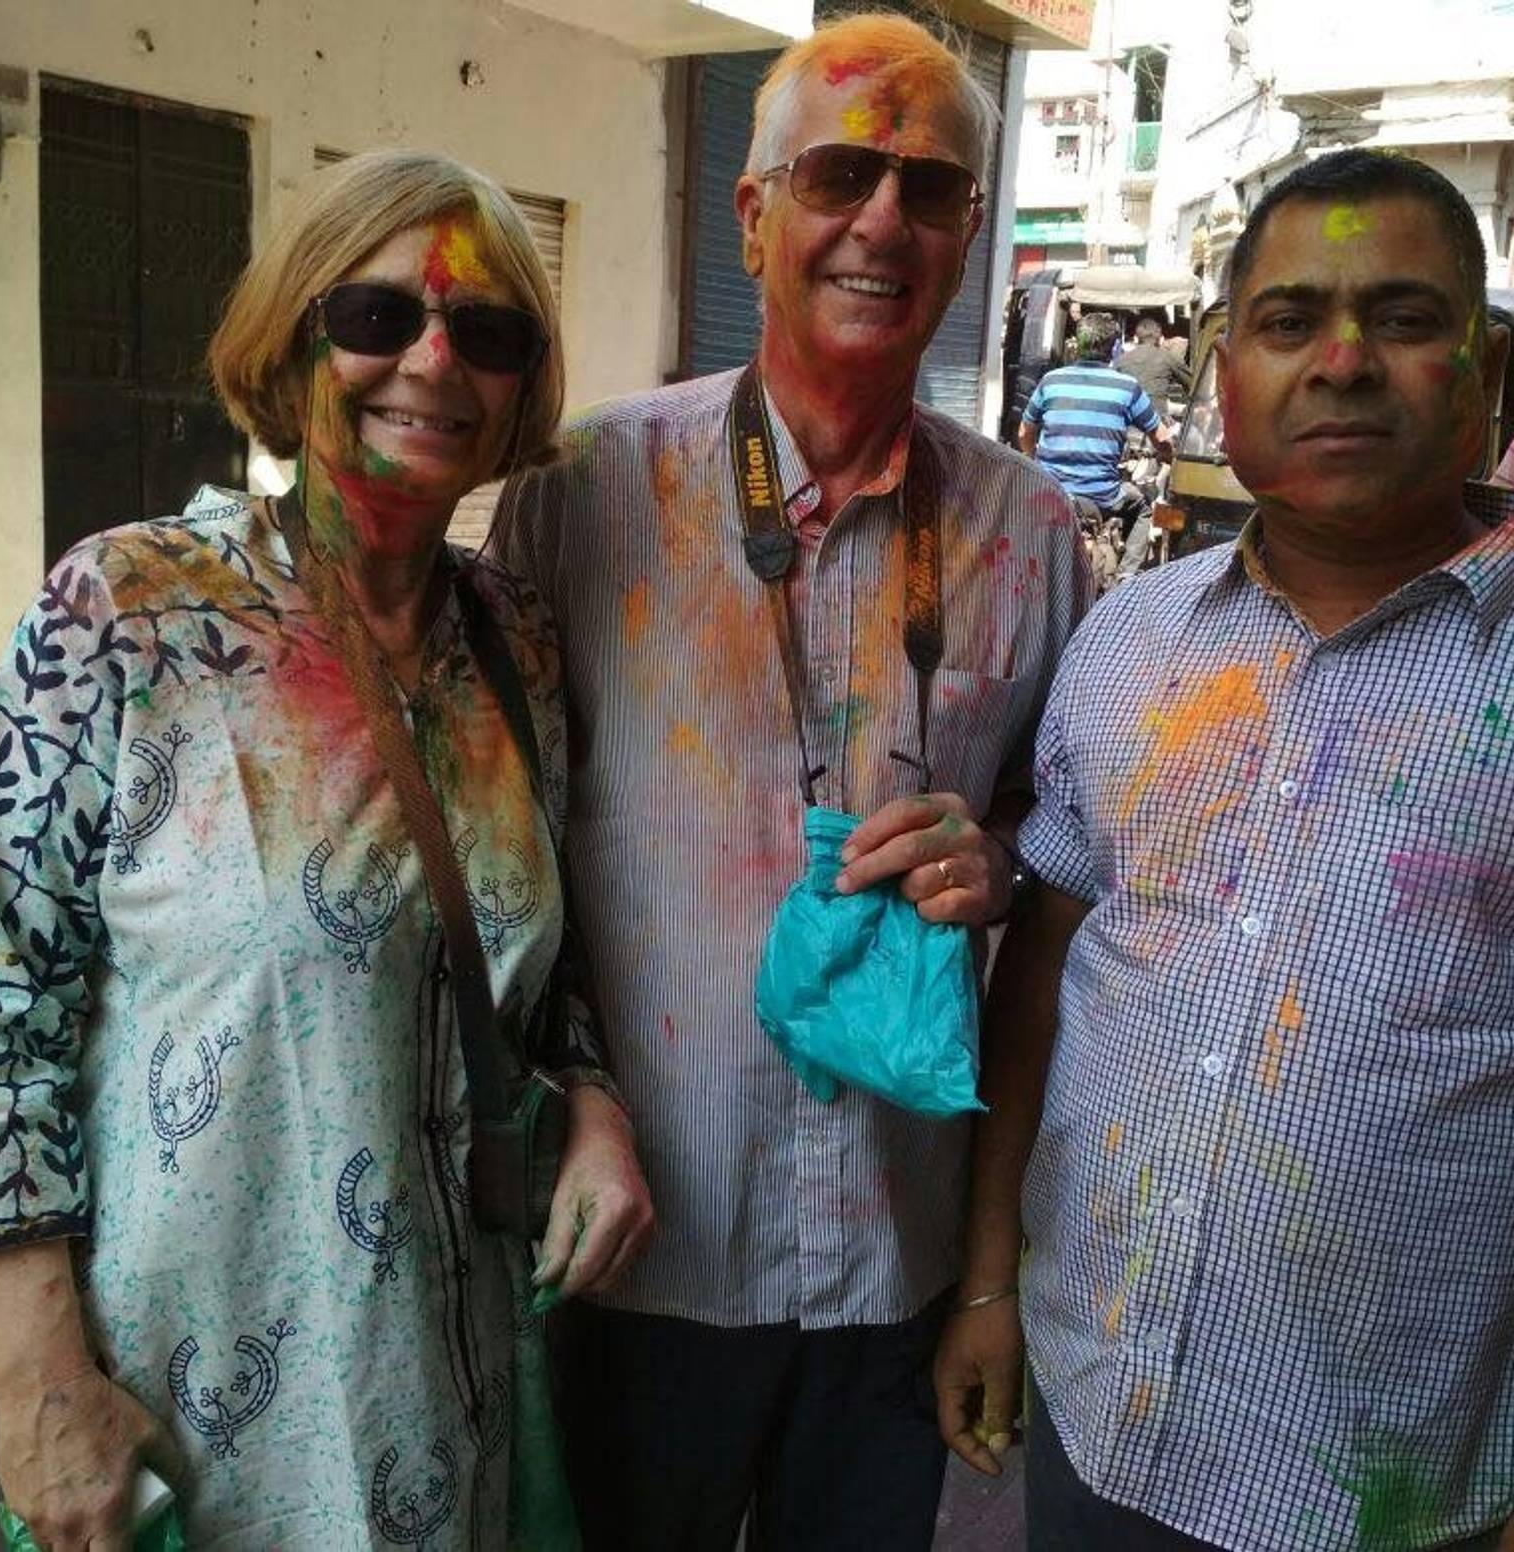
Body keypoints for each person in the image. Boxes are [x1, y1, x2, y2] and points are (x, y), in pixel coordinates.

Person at [0, 148, 653, 1547]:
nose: (433, 361)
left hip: (449, 1399)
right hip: (180, 1415)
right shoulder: (127, 609)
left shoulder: (515, 643)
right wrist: (36, 1379)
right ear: (290, 349)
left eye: (487, 332)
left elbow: (544, 965)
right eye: (377, 316)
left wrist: (592, 1100)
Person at [490, 14, 1091, 1550]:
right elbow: (504, 853)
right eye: (840, 176)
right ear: (755, 217)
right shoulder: (582, 490)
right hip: (650, 1245)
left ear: (970, 232)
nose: (883, 220)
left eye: (930, 188)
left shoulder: (1031, 533)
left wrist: (997, 864)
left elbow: (1061, 841)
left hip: (897, 1250)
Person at [934, 147, 1514, 1550]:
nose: (1344, 362)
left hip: (1383, 1491)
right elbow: (1047, 974)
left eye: (1405, 318)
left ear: (1489, 369)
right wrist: (990, 1281)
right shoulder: (1131, 639)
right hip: (1093, 1409)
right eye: (1291, 319)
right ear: (1223, 368)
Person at [1019, 311, 1174, 584]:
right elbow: (1162, 439)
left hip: (1049, 493)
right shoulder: (1127, 387)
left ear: (1076, 346)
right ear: (1114, 349)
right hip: (1103, 496)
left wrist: (1032, 459)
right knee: (1145, 506)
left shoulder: (1051, 380)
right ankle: (1126, 578)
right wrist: (1167, 455)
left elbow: (1024, 432)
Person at [1118, 316, 1192, 419]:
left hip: (1128, 417)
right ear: (1160, 338)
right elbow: (1192, 383)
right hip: (1157, 418)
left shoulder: (1121, 360)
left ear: (1136, 338)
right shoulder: (1167, 357)